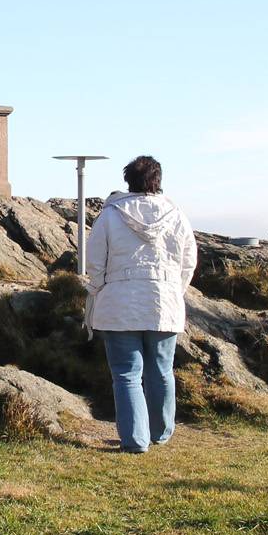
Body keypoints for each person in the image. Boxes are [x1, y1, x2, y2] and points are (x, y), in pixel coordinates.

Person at [84, 155, 198, 453]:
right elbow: (188, 261)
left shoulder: (109, 215)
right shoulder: (176, 215)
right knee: (161, 370)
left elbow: (95, 261)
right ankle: (160, 432)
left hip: (119, 304)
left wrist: (96, 291)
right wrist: (175, 288)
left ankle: (135, 439)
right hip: (164, 302)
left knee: (126, 373)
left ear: (128, 180)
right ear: (158, 180)